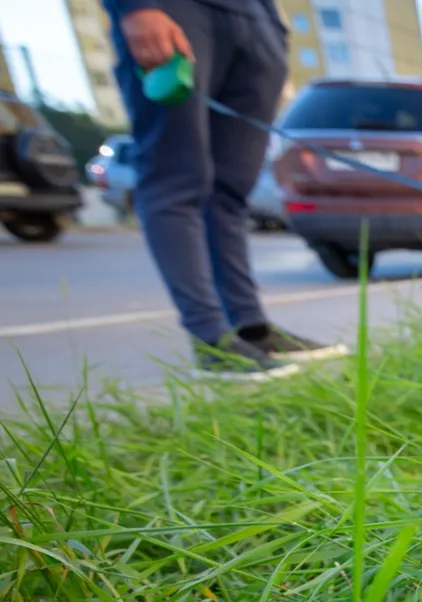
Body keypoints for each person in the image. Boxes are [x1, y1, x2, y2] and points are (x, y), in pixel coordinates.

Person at [109, 0, 345, 375]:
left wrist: (272, 29)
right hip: (177, 11)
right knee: (177, 176)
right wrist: (136, 7)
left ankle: (250, 327)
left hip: (255, 18)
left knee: (231, 189)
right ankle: (211, 340)